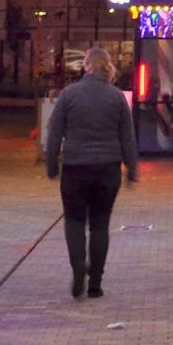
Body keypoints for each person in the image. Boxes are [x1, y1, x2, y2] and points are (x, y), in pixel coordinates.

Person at [43, 46, 138, 300]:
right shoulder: (117, 97)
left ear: (86, 67)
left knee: (74, 221)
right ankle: (95, 283)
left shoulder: (69, 94)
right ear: (106, 68)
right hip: (107, 170)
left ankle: (78, 266)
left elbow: (54, 133)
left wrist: (51, 164)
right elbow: (127, 137)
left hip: (75, 168)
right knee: (100, 225)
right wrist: (132, 169)